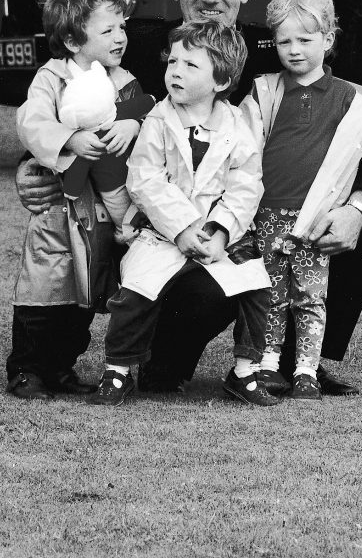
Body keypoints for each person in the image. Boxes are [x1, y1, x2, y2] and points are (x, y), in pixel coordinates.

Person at [15, 0, 362, 396]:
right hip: (144, 212)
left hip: (241, 213)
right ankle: (139, 356)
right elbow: (64, 97)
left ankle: (301, 360)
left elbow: (360, 137)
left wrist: (355, 206)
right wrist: (31, 164)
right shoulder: (129, 43)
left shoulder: (282, 44)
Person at [89, 21, 278, 407]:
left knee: (256, 288)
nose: (175, 70)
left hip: (217, 235)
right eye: (173, 61)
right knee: (137, 291)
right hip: (162, 234)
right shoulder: (158, 121)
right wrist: (181, 229)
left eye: (191, 65)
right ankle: (117, 371)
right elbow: (145, 180)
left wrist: (221, 230)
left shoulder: (239, 126)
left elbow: (246, 185)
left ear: (220, 80)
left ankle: (245, 371)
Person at [7, 0, 148, 400]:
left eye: (122, 26)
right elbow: (30, 121)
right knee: (43, 290)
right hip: (57, 211)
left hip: (99, 212)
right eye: (107, 30)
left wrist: (133, 122)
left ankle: (61, 367)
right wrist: (68, 140)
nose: (120, 37)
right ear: (72, 40)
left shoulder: (123, 79)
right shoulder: (52, 79)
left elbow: (149, 113)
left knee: (82, 296)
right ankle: (27, 368)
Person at [240, 0, 362, 400]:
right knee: (269, 293)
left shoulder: (346, 98)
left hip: (314, 216)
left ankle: (306, 369)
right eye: (284, 41)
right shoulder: (266, 90)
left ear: (328, 39)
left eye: (305, 39)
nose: (294, 49)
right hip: (268, 213)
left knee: (311, 296)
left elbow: (357, 152)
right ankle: (267, 366)